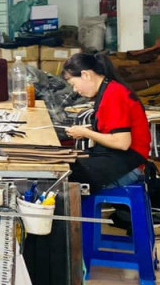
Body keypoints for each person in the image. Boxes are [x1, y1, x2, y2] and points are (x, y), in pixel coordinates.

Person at [62, 52, 151, 192]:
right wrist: (88, 131)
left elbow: (122, 143)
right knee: (67, 166)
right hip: (118, 157)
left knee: (66, 176)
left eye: (73, 84)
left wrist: (86, 133)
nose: (75, 90)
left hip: (130, 163)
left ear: (85, 75)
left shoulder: (113, 94)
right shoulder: (108, 90)